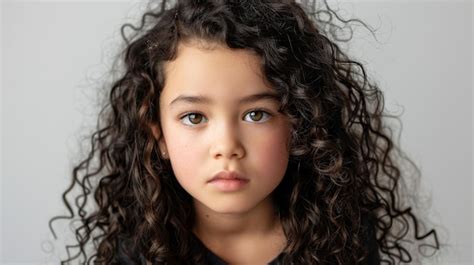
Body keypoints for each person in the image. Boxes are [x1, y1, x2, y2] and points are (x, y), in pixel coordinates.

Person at [49, 0, 440, 264]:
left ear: (300, 123)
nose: (227, 147)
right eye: (194, 118)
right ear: (158, 135)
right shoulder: (139, 252)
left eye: (256, 114)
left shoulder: (343, 240)